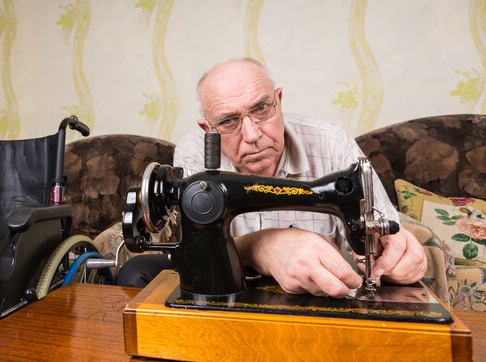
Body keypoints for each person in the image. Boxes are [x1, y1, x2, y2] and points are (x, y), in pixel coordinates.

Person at [118, 57, 427, 297]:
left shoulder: (331, 142)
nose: (252, 135)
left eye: (262, 108)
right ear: (208, 130)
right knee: (138, 272)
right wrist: (261, 246)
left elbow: (384, 231)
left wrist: (403, 256)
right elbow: (196, 252)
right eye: (228, 121)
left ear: (279, 99)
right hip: (231, 292)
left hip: (323, 296)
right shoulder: (195, 157)